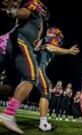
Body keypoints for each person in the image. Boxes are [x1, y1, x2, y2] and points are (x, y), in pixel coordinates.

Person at [0, 0, 49, 134]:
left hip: (7, 44)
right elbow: (23, 13)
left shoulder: (38, 23)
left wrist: (13, 12)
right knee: (32, 78)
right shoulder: (36, 10)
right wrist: (14, 12)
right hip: (19, 44)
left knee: (10, 87)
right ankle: (8, 115)